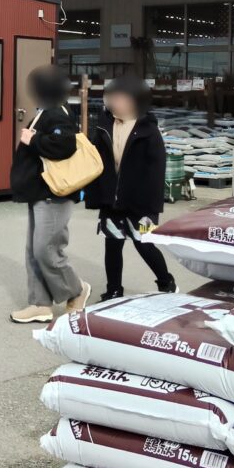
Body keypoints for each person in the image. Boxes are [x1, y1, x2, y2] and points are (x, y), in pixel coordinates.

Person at [9, 66, 89, 323]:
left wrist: (33, 140)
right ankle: (40, 303)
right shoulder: (48, 110)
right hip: (41, 191)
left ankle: (76, 290)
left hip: (53, 193)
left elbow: (64, 145)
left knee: (46, 249)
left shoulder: (56, 112)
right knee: (34, 250)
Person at [86, 75, 175, 300]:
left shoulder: (147, 129)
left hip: (140, 202)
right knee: (112, 245)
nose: (115, 102)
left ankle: (166, 282)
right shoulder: (104, 125)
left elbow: (156, 171)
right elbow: (94, 161)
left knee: (144, 243)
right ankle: (114, 289)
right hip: (111, 200)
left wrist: (152, 204)